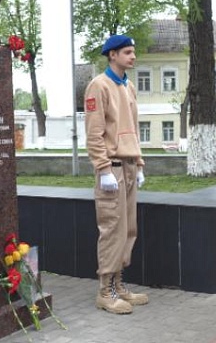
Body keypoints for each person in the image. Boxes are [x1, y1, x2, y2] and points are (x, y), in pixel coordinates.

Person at [84, 34, 148, 315]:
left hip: (130, 166)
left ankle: (119, 284)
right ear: (112, 55)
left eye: (133, 52)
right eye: (127, 52)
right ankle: (105, 291)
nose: (133, 57)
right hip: (112, 169)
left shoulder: (128, 86)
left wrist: (139, 163)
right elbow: (94, 132)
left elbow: (133, 128)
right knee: (112, 229)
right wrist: (102, 168)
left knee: (128, 229)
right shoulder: (99, 86)